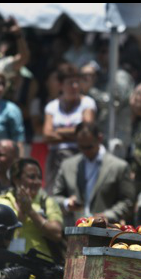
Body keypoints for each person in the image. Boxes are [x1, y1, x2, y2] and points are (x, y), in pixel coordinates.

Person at [53, 122, 135, 227]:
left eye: (89, 147)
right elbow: (55, 197)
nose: (85, 151)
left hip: (106, 232)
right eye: (81, 147)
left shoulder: (119, 166)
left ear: (99, 139)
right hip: (74, 231)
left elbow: (128, 201)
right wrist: (67, 203)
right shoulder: (67, 165)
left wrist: (107, 216)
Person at [42, 63, 96, 192]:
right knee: (54, 195)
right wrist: (74, 132)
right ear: (61, 85)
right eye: (71, 83)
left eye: (77, 82)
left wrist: (58, 131)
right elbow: (47, 135)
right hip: (56, 159)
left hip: (79, 156)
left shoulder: (87, 103)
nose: (75, 86)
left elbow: (86, 130)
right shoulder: (52, 106)